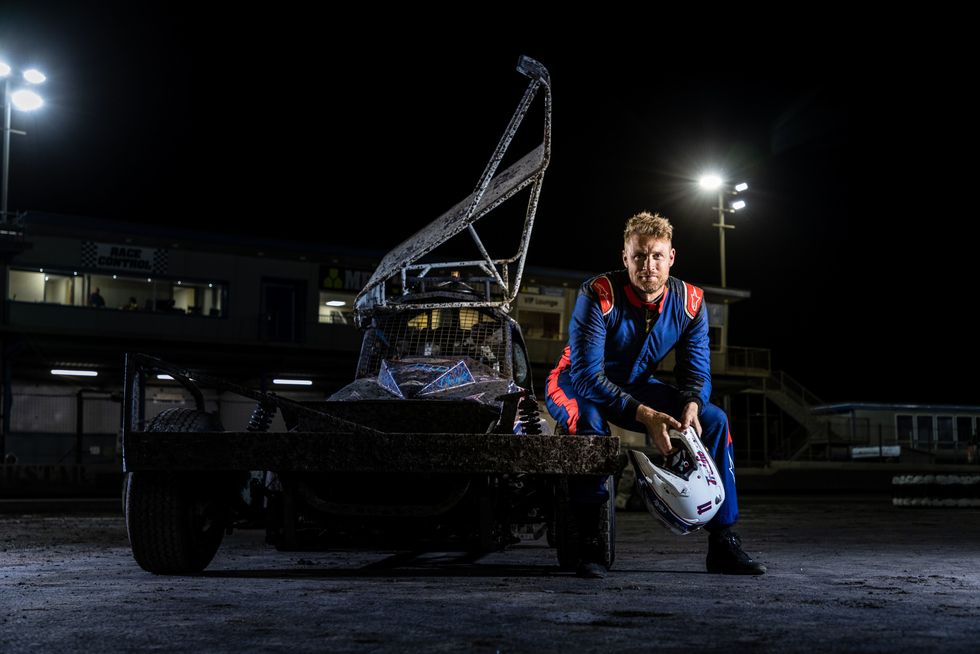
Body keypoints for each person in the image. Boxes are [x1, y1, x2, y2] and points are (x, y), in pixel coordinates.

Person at [545, 211, 766, 578]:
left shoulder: (691, 301)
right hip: (575, 382)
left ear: (671, 257)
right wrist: (645, 415)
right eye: (639, 256)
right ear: (625, 257)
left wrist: (692, 403)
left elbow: (695, 372)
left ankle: (723, 541)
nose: (648, 265)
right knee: (589, 424)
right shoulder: (598, 293)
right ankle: (588, 541)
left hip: (635, 384)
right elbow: (587, 376)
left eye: (657, 256)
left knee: (713, 419)